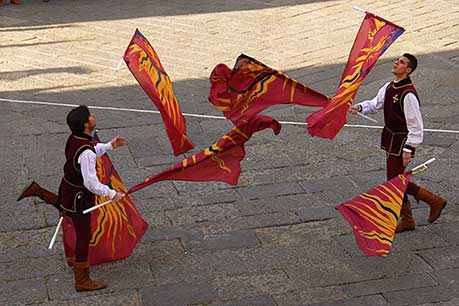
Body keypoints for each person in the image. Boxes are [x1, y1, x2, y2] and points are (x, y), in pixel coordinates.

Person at [17, 105, 126, 292]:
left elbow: (91, 149)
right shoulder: (86, 151)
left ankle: (39, 191)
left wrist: (109, 146)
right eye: (90, 116)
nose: (93, 116)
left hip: (68, 187)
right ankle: (82, 279)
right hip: (79, 197)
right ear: (86, 124)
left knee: (63, 206)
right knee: (84, 236)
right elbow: (91, 183)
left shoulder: (76, 138)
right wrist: (112, 193)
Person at [349, 53, 447, 233]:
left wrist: (409, 148)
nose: (396, 63)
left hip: (402, 142)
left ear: (408, 70)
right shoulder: (388, 87)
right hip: (390, 138)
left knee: (395, 182)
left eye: (401, 62)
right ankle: (411, 217)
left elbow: (416, 126)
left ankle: (433, 201)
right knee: (396, 181)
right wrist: (360, 107)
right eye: (397, 60)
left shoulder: (408, 94)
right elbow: (375, 104)